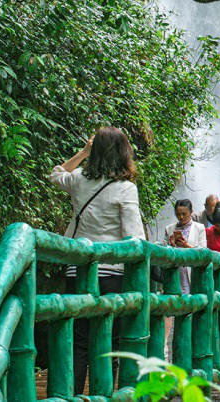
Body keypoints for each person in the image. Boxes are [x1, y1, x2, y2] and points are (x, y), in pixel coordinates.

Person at [49, 126, 144, 395]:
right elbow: (134, 238)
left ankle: (73, 396)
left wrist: (83, 152)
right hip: (112, 274)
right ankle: (101, 396)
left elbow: (55, 174)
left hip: (77, 271)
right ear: (124, 153)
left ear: (97, 151)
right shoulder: (125, 189)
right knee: (108, 345)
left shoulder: (79, 178)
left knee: (79, 343)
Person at [163, 199, 207, 294]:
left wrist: (186, 246)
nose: (181, 217)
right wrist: (172, 245)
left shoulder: (199, 228)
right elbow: (164, 252)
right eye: (178, 214)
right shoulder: (169, 228)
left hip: (191, 271)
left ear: (191, 212)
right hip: (174, 270)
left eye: (184, 213)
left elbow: (203, 251)